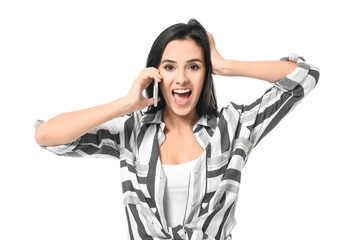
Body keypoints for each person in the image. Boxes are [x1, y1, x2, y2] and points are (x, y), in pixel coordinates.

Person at [34, 18, 320, 240]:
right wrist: (125, 104)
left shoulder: (233, 126)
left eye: (194, 67)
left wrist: (222, 63)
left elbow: (304, 77)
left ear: (205, 73)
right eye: (170, 67)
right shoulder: (133, 132)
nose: (181, 79)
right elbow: (47, 137)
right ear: (156, 73)